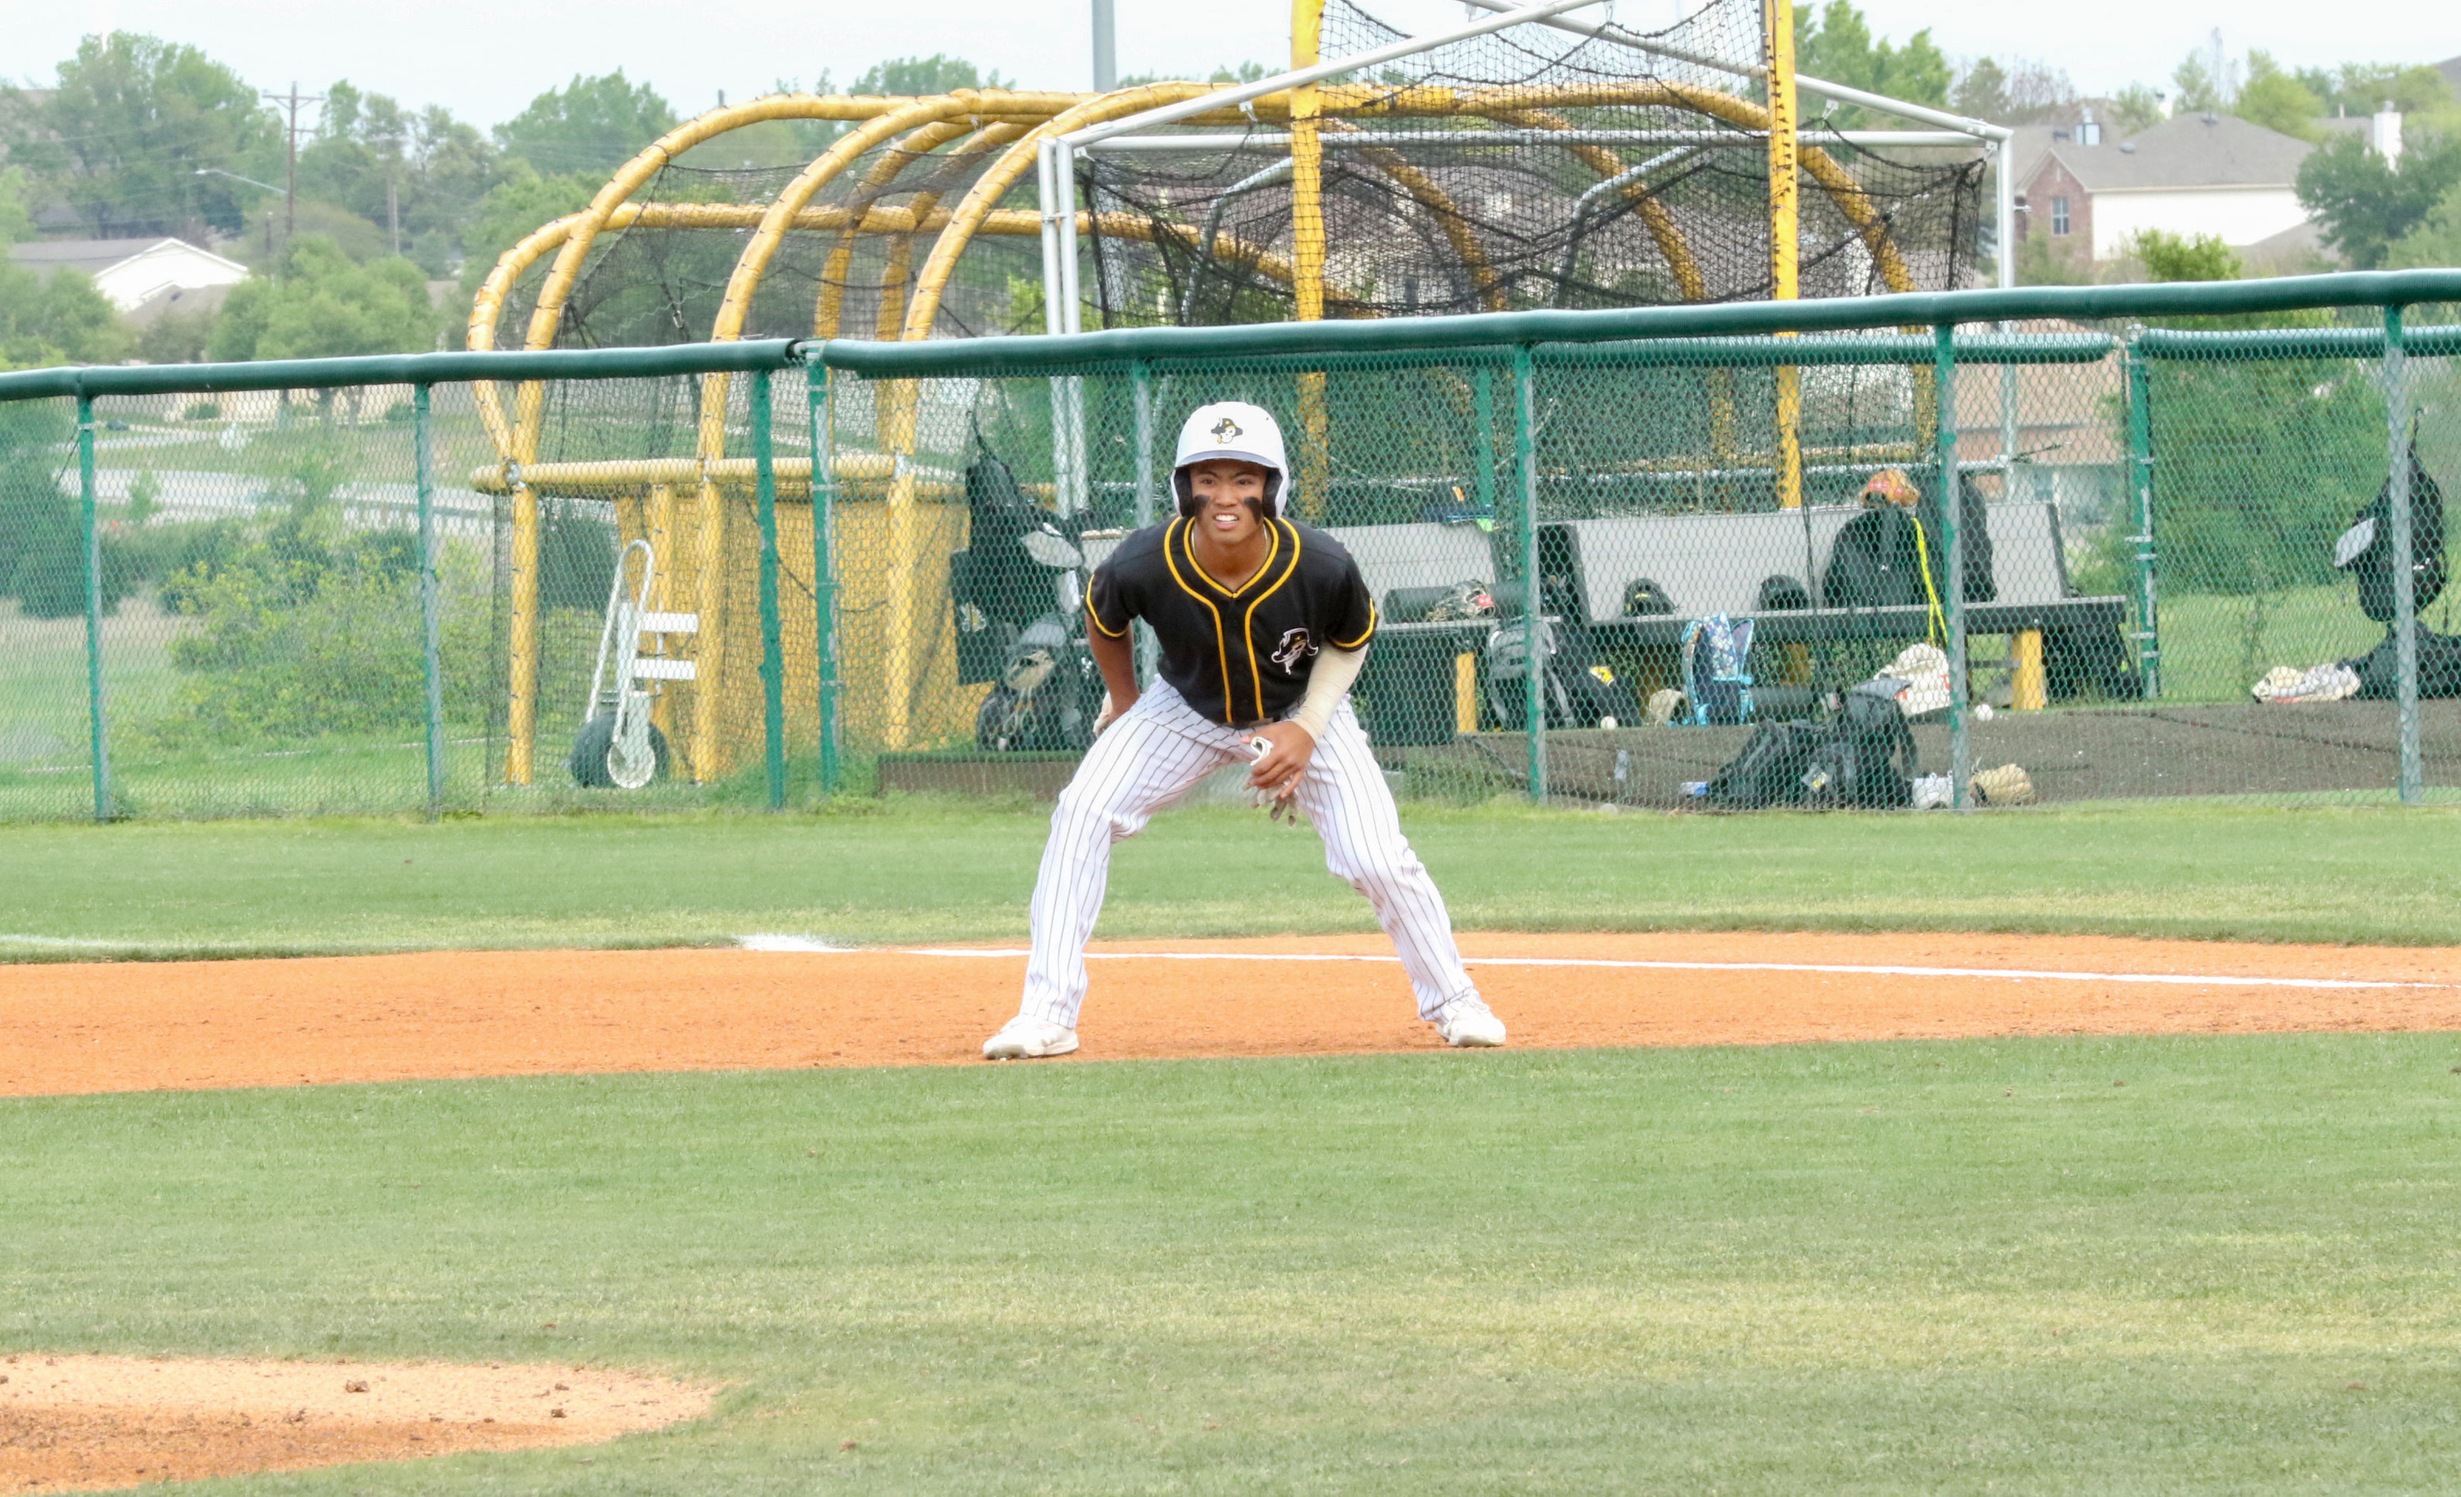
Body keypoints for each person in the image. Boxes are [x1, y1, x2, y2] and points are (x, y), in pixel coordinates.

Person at [982, 401, 1507, 1059]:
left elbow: (1349, 642)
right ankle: (1045, 1015)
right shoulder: (1145, 559)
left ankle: (1456, 1001)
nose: (1224, 496)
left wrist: (1308, 730)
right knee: (1082, 809)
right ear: (1184, 487)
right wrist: (1122, 700)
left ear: (1271, 486)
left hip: (1303, 708)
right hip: (1185, 710)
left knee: (1375, 855)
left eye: (1243, 478)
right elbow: (1103, 618)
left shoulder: (1320, 563)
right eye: (1207, 478)